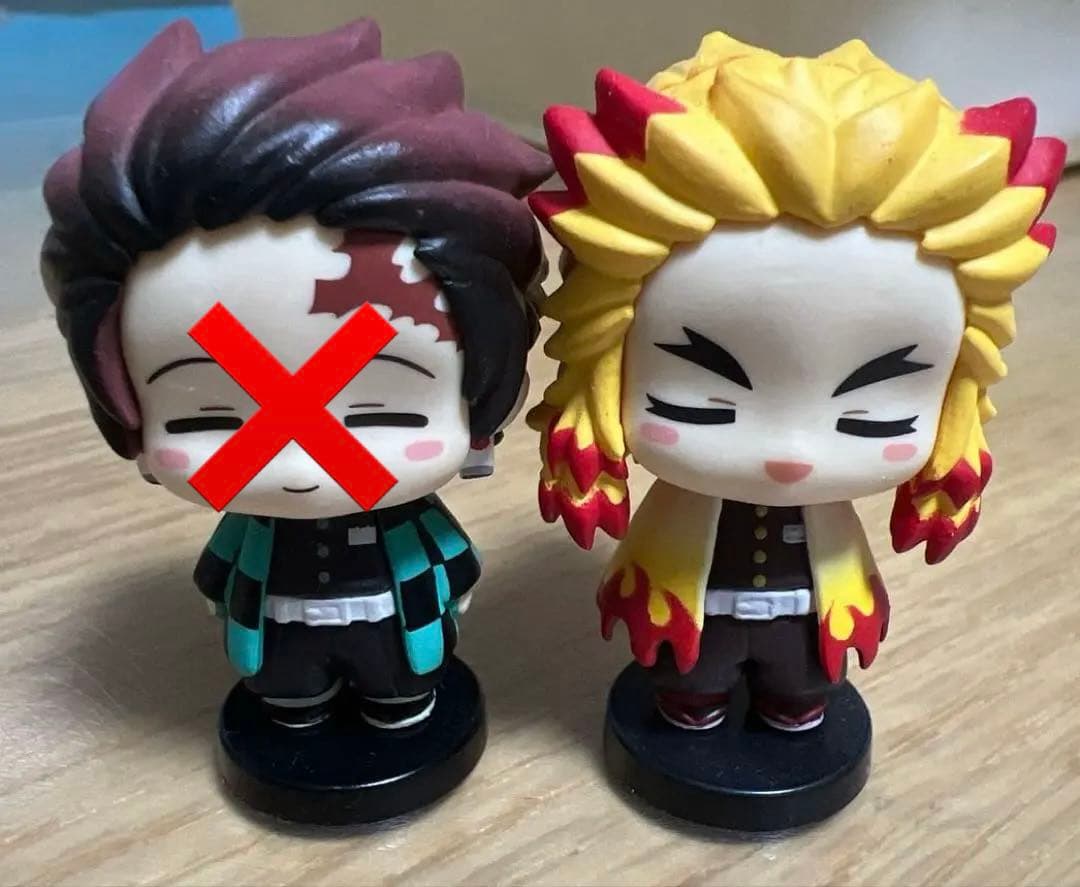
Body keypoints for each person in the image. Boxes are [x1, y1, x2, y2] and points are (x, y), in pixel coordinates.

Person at [530, 32, 1064, 732]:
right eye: (710, 401)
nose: (792, 454)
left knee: (804, 686)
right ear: (609, 362)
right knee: (688, 684)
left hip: (812, 616)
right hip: (688, 606)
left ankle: (795, 708)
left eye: (870, 414)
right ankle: (693, 708)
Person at [41, 19, 552, 733]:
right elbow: (218, 574)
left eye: (383, 411)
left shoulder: (411, 519)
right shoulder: (252, 529)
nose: (302, 467)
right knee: (288, 693)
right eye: (208, 416)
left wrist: (451, 592)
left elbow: (453, 563)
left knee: (400, 690)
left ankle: (401, 708)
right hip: (279, 633)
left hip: (395, 630)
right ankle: (295, 709)